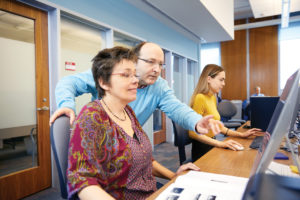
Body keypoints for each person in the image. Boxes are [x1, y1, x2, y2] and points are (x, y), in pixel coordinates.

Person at [67, 46, 200, 200]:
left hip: (150, 192)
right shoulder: (92, 116)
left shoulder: (128, 112)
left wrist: (174, 176)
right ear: (104, 82)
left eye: (134, 74)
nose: (135, 80)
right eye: (126, 75)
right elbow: (82, 180)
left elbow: (144, 159)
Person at [50, 42, 222, 135]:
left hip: (129, 146)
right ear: (134, 60)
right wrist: (66, 104)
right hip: (100, 142)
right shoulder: (110, 76)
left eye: (161, 64)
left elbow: (176, 108)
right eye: (151, 62)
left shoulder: (159, 85)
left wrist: (196, 121)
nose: (157, 69)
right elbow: (68, 82)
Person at [188, 64, 262, 161]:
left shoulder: (212, 98)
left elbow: (219, 127)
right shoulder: (200, 98)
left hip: (212, 142)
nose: (224, 84)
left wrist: (242, 135)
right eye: (221, 80)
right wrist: (220, 143)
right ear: (209, 79)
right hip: (202, 148)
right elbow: (192, 133)